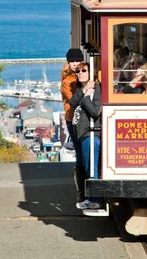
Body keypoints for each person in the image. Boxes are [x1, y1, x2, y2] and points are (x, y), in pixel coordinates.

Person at [69, 62, 102, 210]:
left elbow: (95, 112)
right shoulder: (81, 89)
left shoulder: (97, 89)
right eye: (78, 71)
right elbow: (72, 102)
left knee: (92, 166)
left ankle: (94, 198)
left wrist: (87, 97)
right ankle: (90, 197)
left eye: (84, 70)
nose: (80, 73)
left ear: (91, 72)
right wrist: (84, 90)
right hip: (83, 133)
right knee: (88, 166)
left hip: (92, 133)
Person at [60, 48, 86, 208]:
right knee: (80, 155)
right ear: (68, 63)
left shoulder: (82, 74)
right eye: (72, 61)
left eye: (77, 61)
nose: (75, 64)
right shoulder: (68, 81)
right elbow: (74, 101)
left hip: (85, 118)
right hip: (73, 119)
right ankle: (81, 193)